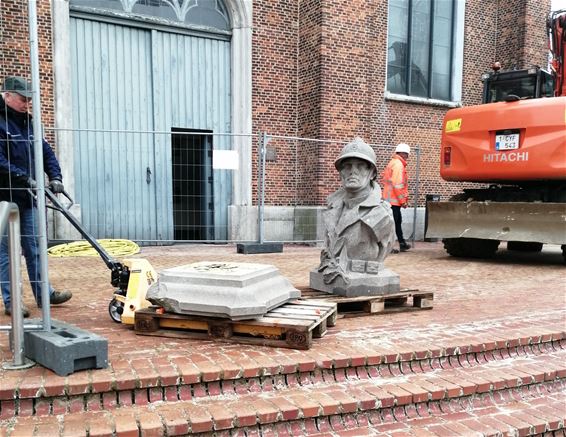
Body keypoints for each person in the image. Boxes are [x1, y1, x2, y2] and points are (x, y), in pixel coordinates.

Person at [0, 76, 72, 318]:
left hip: (28, 198)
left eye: (29, 100)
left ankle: (44, 295)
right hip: (4, 200)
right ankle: (13, 302)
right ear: (7, 95)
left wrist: (56, 177)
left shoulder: (28, 123)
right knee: (7, 253)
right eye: (22, 99)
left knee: (34, 247)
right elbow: (0, 163)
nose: (26, 104)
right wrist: (25, 178)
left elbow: (45, 152)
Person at [316, 137, 394, 285]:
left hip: (363, 277)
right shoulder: (333, 205)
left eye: (360, 166)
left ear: (372, 173)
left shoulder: (381, 214)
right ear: (340, 173)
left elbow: (386, 246)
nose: (353, 171)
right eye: (347, 166)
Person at [382, 143, 411, 252]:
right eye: (407, 155)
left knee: (397, 221)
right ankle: (390, 246)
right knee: (393, 224)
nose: (407, 157)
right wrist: (403, 201)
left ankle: (402, 243)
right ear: (403, 154)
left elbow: (385, 180)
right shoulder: (398, 165)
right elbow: (397, 184)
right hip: (393, 201)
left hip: (389, 199)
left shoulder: (392, 163)